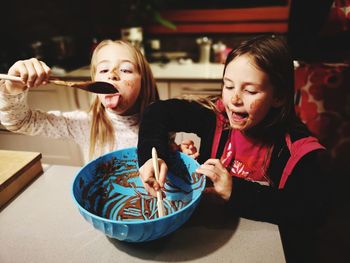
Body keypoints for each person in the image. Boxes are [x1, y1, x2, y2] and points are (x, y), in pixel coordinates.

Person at [137, 35, 330, 261]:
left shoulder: (298, 150)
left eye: (250, 91)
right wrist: (154, 156)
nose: (234, 99)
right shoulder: (216, 116)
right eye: (228, 86)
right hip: (210, 239)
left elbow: (313, 211)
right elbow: (156, 112)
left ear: (278, 96)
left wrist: (234, 191)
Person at [0, 39, 160, 163]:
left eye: (125, 69)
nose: (112, 75)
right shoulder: (84, 125)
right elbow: (20, 122)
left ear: (143, 82)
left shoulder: (161, 124)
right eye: (103, 70)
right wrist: (12, 89)